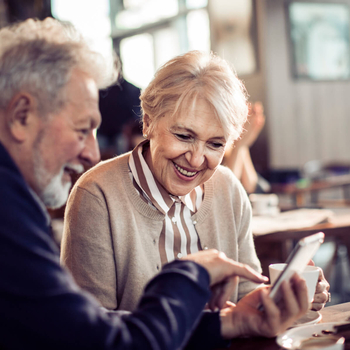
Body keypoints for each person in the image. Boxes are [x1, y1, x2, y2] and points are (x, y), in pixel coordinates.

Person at [0, 18, 309, 350]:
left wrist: (236, 320)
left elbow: (87, 329)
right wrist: (192, 273)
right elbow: (95, 342)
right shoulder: (21, 212)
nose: (92, 154)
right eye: (81, 129)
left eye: (215, 144)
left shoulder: (15, 203)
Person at [60, 50, 329, 313]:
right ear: (148, 122)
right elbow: (90, 329)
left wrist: (288, 299)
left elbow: (245, 296)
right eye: (184, 136)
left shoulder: (229, 189)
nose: (197, 159)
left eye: (215, 144)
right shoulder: (96, 195)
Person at [222, 101, 270, 194]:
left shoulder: (231, 146)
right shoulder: (216, 146)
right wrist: (239, 144)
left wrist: (243, 144)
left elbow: (251, 186)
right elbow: (227, 189)